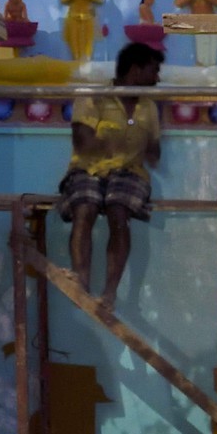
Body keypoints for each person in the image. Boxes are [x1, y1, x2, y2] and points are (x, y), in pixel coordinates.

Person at [57, 42, 163, 310]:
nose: (157, 78)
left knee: (118, 212)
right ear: (136, 70)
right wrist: (110, 142)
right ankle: (81, 280)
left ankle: (109, 294)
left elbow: (154, 153)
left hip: (129, 172)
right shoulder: (93, 96)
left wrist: (148, 149)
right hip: (89, 168)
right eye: (153, 70)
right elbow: (82, 142)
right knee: (86, 207)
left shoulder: (149, 107)